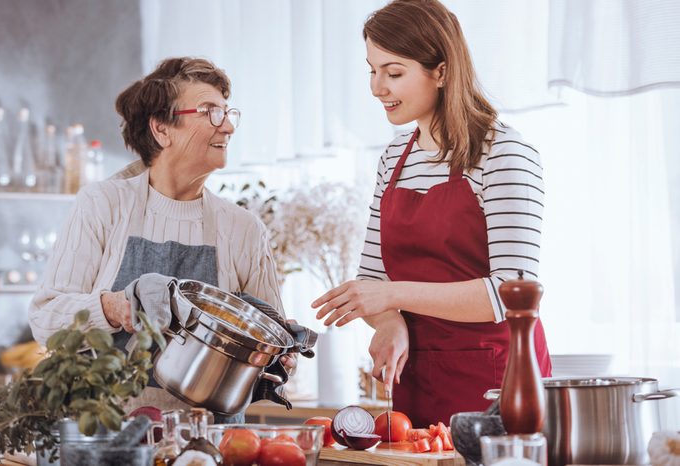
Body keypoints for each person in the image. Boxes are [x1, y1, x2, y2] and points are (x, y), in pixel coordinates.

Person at [312, 0, 551, 426]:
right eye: (372, 69)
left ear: (440, 72)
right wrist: (389, 323)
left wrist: (393, 296)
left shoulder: (504, 153)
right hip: (417, 382)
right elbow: (373, 281)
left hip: (496, 384)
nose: (376, 87)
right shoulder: (393, 159)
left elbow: (510, 293)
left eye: (394, 72)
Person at [29, 57, 296, 422]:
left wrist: (280, 354)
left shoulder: (243, 227)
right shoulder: (104, 204)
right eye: (210, 112)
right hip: (108, 436)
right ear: (161, 129)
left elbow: (269, 344)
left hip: (209, 446)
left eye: (228, 112)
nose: (229, 126)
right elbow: (45, 320)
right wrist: (113, 307)